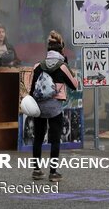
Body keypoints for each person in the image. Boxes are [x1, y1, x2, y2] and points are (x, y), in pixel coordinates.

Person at [29, 31, 78, 182]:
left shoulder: (38, 66)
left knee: (38, 137)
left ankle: (37, 170)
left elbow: (31, 89)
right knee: (55, 139)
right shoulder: (62, 66)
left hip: (39, 107)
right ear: (61, 50)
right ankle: (53, 172)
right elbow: (74, 85)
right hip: (55, 107)